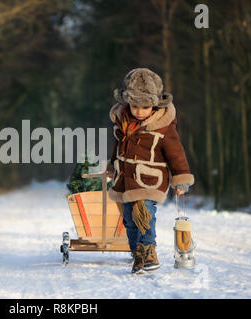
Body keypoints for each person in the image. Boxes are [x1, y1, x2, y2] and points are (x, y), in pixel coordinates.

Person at [106, 68, 194, 274]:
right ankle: (136, 252)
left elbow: (176, 153)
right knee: (128, 218)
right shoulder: (123, 124)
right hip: (125, 179)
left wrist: (180, 179)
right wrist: (112, 166)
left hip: (148, 180)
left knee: (144, 213)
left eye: (145, 107)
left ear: (154, 105)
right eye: (134, 106)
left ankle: (149, 251)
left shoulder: (163, 128)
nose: (139, 111)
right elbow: (117, 148)